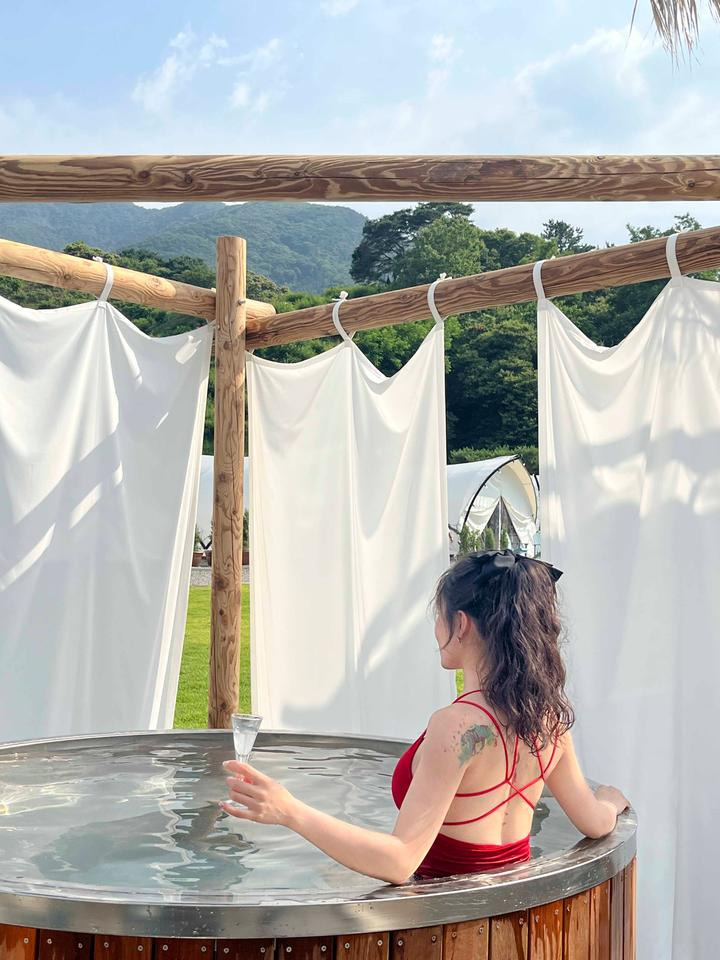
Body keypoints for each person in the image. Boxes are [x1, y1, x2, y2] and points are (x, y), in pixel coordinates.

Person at [221, 550, 629, 884]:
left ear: (461, 624)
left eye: (440, 616)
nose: (436, 628)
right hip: (510, 919)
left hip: (446, 928)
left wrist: (289, 810)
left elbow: (400, 861)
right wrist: (610, 801)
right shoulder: (547, 722)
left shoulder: (457, 727)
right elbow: (595, 823)